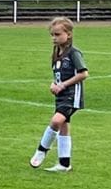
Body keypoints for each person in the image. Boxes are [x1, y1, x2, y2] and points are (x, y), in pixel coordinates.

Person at [32, 16, 86, 171]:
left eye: (57, 34)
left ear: (68, 34)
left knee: (56, 121)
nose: (54, 38)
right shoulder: (56, 53)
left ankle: (42, 150)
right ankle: (64, 163)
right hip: (61, 96)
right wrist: (54, 84)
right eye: (52, 35)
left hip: (72, 95)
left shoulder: (74, 53)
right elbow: (58, 75)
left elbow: (83, 74)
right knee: (63, 126)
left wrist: (63, 85)